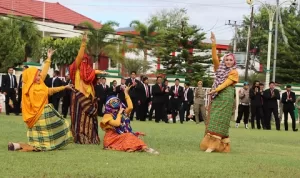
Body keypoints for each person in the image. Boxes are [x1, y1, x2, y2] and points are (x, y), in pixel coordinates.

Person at [8, 49, 73, 152]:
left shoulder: (40, 83)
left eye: (39, 75)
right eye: (37, 75)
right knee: (45, 138)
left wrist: (49, 58)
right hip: (37, 116)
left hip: (41, 115)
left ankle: (15, 145)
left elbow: (49, 87)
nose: (40, 76)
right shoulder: (28, 88)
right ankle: (17, 145)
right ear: (32, 77)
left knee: (39, 142)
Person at [200, 32, 239, 153]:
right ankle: (215, 144)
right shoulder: (220, 69)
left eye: (230, 60)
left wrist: (214, 90)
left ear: (233, 62)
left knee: (221, 120)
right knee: (212, 118)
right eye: (226, 59)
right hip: (217, 95)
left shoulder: (234, 72)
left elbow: (226, 83)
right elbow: (214, 58)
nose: (228, 62)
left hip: (226, 96)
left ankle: (213, 145)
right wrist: (213, 44)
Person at [69, 33, 107, 144]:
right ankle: (78, 137)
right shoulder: (75, 68)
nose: (84, 62)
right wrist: (83, 43)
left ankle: (90, 137)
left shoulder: (89, 70)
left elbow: (93, 72)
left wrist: (101, 71)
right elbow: (80, 56)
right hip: (78, 96)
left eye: (86, 61)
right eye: (83, 60)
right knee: (78, 117)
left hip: (89, 96)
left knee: (89, 119)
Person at [100, 85, 159, 154]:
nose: (116, 102)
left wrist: (126, 93)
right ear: (108, 104)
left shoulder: (122, 111)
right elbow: (117, 124)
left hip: (120, 135)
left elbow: (130, 107)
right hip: (112, 138)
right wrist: (119, 113)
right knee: (129, 136)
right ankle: (144, 148)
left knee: (131, 136)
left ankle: (144, 148)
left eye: (117, 100)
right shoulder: (107, 115)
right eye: (113, 101)